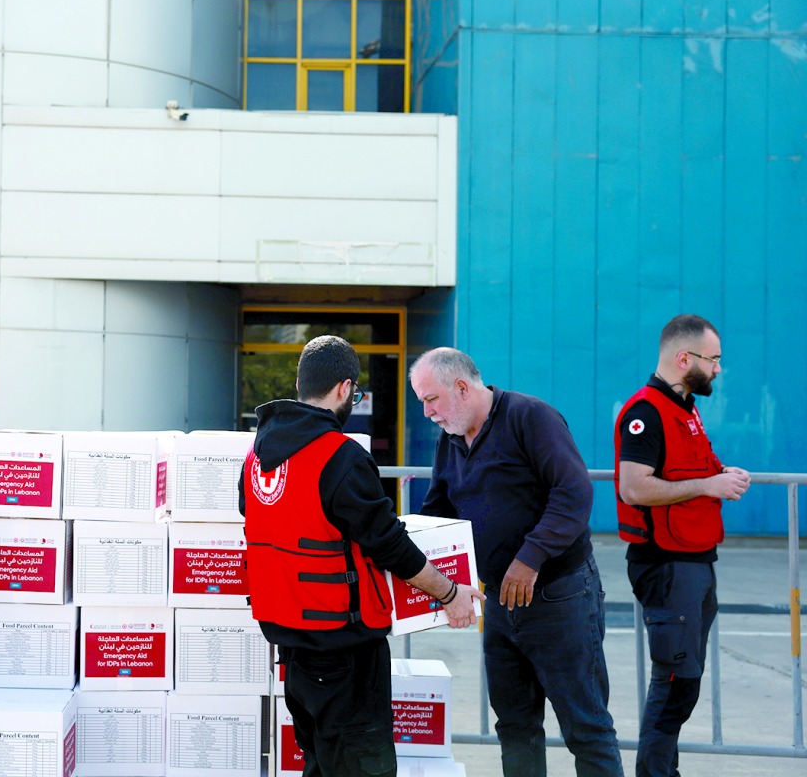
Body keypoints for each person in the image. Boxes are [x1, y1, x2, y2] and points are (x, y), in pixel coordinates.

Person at [240, 335, 483, 777]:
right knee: (360, 767)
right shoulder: (340, 456)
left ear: (299, 385)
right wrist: (450, 593)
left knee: (319, 762)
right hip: (344, 651)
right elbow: (388, 544)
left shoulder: (256, 459)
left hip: (292, 649)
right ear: (345, 388)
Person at [410, 347, 624, 777]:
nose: (427, 412)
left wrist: (530, 557)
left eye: (431, 399)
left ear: (462, 387)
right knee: (514, 726)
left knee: (586, 726)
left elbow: (573, 493)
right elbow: (439, 511)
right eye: (422, 402)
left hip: (559, 596)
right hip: (500, 603)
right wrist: (422, 566)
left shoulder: (531, 417)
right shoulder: (450, 439)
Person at [614, 314, 750, 777]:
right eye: (713, 359)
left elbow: (688, 469)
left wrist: (721, 475)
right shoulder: (645, 412)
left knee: (681, 683)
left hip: (694, 561)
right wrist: (710, 485)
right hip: (667, 565)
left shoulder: (686, 408)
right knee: (675, 684)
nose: (718, 369)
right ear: (684, 358)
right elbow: (634, 487)